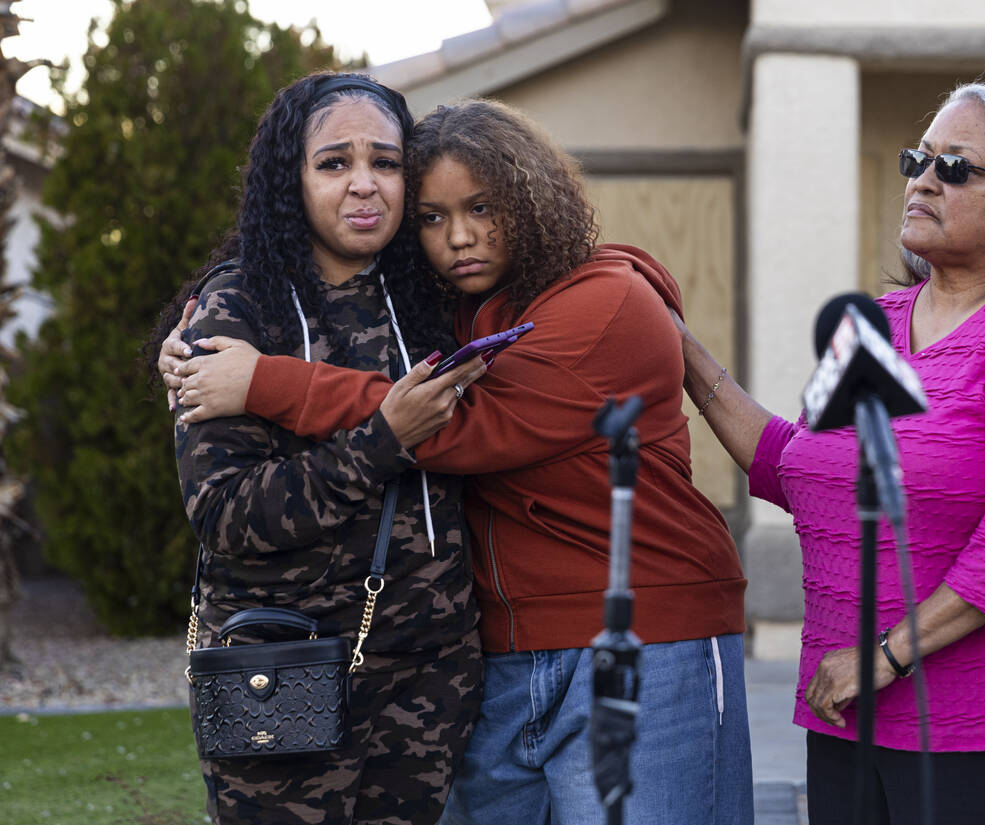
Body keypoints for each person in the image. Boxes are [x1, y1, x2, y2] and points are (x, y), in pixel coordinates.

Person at [161, 99, 753, 824]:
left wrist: (272, 382)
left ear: (529, 195)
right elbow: (225, 509)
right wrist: (186, 338)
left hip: (512, 658)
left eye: (383, 163)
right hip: (298, 658)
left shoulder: (546, 301)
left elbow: (470, 423)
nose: (459, 236)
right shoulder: (400, 300)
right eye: (434, 217)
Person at [670, 83, 985, 825]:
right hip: (851, 715)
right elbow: (794, 468)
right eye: (917, 160)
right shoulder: (874, 325)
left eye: (954, 166)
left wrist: (882, 656)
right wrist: (685, 355)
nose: (922, 179)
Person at [165, 72, 489, 825]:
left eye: (385, 162)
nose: (364, 185)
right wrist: (382, 442)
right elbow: (225, 512)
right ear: (294, 177)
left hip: (429, 671)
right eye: (334, 163)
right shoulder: (240, 307)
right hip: (281, 664)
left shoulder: (434, 297)